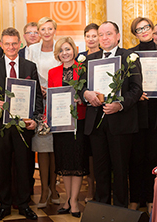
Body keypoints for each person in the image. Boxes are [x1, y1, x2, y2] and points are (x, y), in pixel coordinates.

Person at [79, 21, 142, 208]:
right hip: (96, 122)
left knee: (121, 170)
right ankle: (102, 210)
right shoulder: (91, 59)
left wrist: (119, 105)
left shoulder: (129, 57)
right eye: (101, 34)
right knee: (100, 170)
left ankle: (121, 210)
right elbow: (82, 87)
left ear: (118, 36)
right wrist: (86, 94)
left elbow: (136, 89)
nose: (104, 38)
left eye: (108, 34)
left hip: (121, 122)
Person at [0, 27, 43, 221]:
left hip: (23, 125)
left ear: (20, 44)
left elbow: (36, 97)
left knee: (24, 165)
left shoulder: (30, 66)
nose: (11, 47)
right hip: (0, 126)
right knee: (2, 166)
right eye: (7, 43)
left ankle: (24, 204)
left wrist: (34, 119)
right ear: (1, 45)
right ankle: (4, 205)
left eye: (14, 43)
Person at [48, 37, 89, 218]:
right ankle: (67, 198)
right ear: (57, 54)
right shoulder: (52, 72)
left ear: (74, 50)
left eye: (68, 49)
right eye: (61, 50)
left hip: (79, 121)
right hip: (60, 124)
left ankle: (74, 201)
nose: (65, 53)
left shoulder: (83, 70)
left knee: (77, 161)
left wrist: (82, 99)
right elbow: (50, 98)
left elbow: (90, 93)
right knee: (64, 162)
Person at [27, 17, 61, 208]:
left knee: (55, 148)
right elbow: (28, 74)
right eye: (43, 29)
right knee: (42, 148)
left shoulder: (61, 47)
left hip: (58, 103)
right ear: (38, 32)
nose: (46, 32)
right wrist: (38, 88)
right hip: (39, 104)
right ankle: (44, 191)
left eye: (50, 29)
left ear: (55, 30)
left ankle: (54, 188)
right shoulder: (31, 50)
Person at [128, 17, 157, 213]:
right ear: (135, 34)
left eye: (146, 27)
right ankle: (135, 198)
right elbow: (126, 85)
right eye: (139, 29)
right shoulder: (130, 55)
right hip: (137, 112)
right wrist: (135, 93)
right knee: (135, 156)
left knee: (153, 156)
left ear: (152, 29)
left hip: (156, 110)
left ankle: (151, 198)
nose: (144, 31)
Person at [77, 22, 101, 203]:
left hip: (104, 110)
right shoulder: (80, 58)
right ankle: (90, 187)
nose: (91, 39)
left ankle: (99, 189)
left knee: (99, 153)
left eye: (94, 35)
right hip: (85, 112)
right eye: (88, 36)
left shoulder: (107, 56)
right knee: (88, 152)